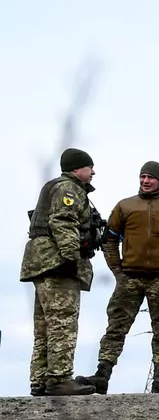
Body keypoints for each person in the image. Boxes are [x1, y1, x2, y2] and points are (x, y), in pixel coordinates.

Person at [76, 161, 159, 394]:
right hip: (129, 278)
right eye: (142, 176)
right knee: (116, 327)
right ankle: (102, 375)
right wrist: (116, 269)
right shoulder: (125, 207)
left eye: (150, 177)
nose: (145, 181)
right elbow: (109, 239)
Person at [20, 148, 103, 397]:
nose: (93, 172)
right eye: (90, 167)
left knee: (45, 325)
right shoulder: (69, 189)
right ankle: (59, 378)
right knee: (62, 323)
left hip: (42, 264)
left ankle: (41, 379)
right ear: (77, 168)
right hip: (57, 265)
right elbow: (63, 221)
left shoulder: (54, 187)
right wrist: (71, 257)